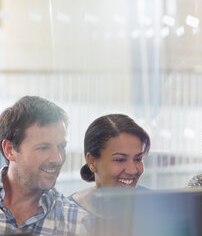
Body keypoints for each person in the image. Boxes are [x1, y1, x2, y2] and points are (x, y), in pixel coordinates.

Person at [0, 96, 90, 235]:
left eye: (61, 146)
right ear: (10, 150)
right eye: (43, 148)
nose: (57, 159)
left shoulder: (80, 225)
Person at [69, 114, 150, 213]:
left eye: (138, 159)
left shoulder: (157, 205)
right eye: (120, 160)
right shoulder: (68, 212)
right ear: (92, 162)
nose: (132, 170)